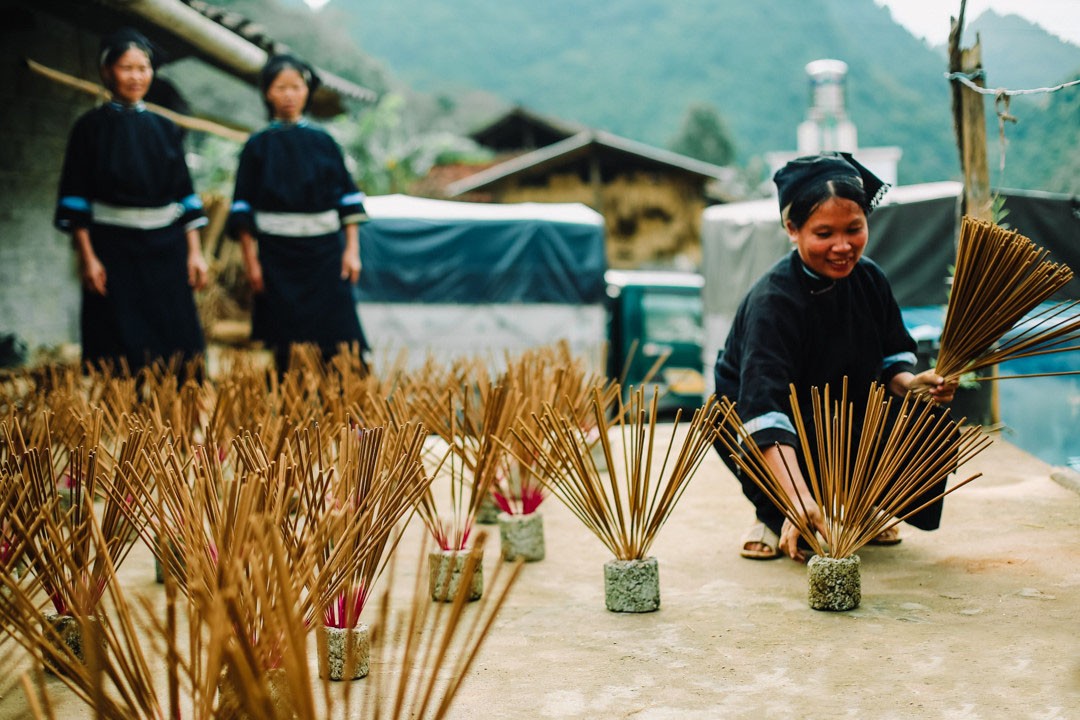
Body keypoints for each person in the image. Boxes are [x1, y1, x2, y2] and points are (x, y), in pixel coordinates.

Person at [712, 152, 957, 562]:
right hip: (768, 425)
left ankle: (858, 508)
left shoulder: (870, 279)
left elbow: (891, 360)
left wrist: (911, 384)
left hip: (839, 417)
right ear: (793, 229)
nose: (843, 247)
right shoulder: (774, 301)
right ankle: (774, 513)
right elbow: (763, 410)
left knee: (926, 417)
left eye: (854, 229)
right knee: (800, 516)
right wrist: (797, 500)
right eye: (824, 233)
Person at [55, 28, 208, 374]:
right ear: (107, 71)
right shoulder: (88, 129)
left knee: (175, 334)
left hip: (166, 248)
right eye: (127, 68)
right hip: (113, 248)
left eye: (144, 68)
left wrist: (195, 252)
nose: (137, 77)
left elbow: (185, 194)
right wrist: (88, 258)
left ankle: (176, 412)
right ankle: (122, 418)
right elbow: (75, 197)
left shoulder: (165, 128)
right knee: (117, 338)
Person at [227, 54, 369, 372]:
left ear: (307, 92)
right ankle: (293, 415)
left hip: (326, 256)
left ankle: (348, 414)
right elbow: (242, 210)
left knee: (340, 338)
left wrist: (352, 252)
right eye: (281, 88)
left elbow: (348, 202)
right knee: (286, 343)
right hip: (277, 259)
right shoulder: (257, 146)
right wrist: (253, 264)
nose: (289, 95)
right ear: (267, 93)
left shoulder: (324, 142)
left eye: (296, 87)